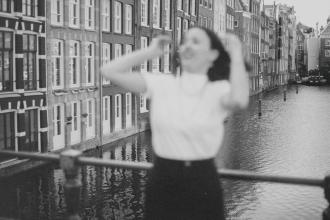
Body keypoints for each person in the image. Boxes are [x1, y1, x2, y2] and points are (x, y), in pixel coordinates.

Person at [100, 27, 249, 220]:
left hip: (202, 179)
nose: (187, 46)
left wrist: (236, 54)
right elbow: (108, 71)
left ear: (213, 54)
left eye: (196, 41)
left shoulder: (218, 89)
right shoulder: (162, 84)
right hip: (163, 178)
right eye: (185, 41)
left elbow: (239, 99)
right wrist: (150, 52)